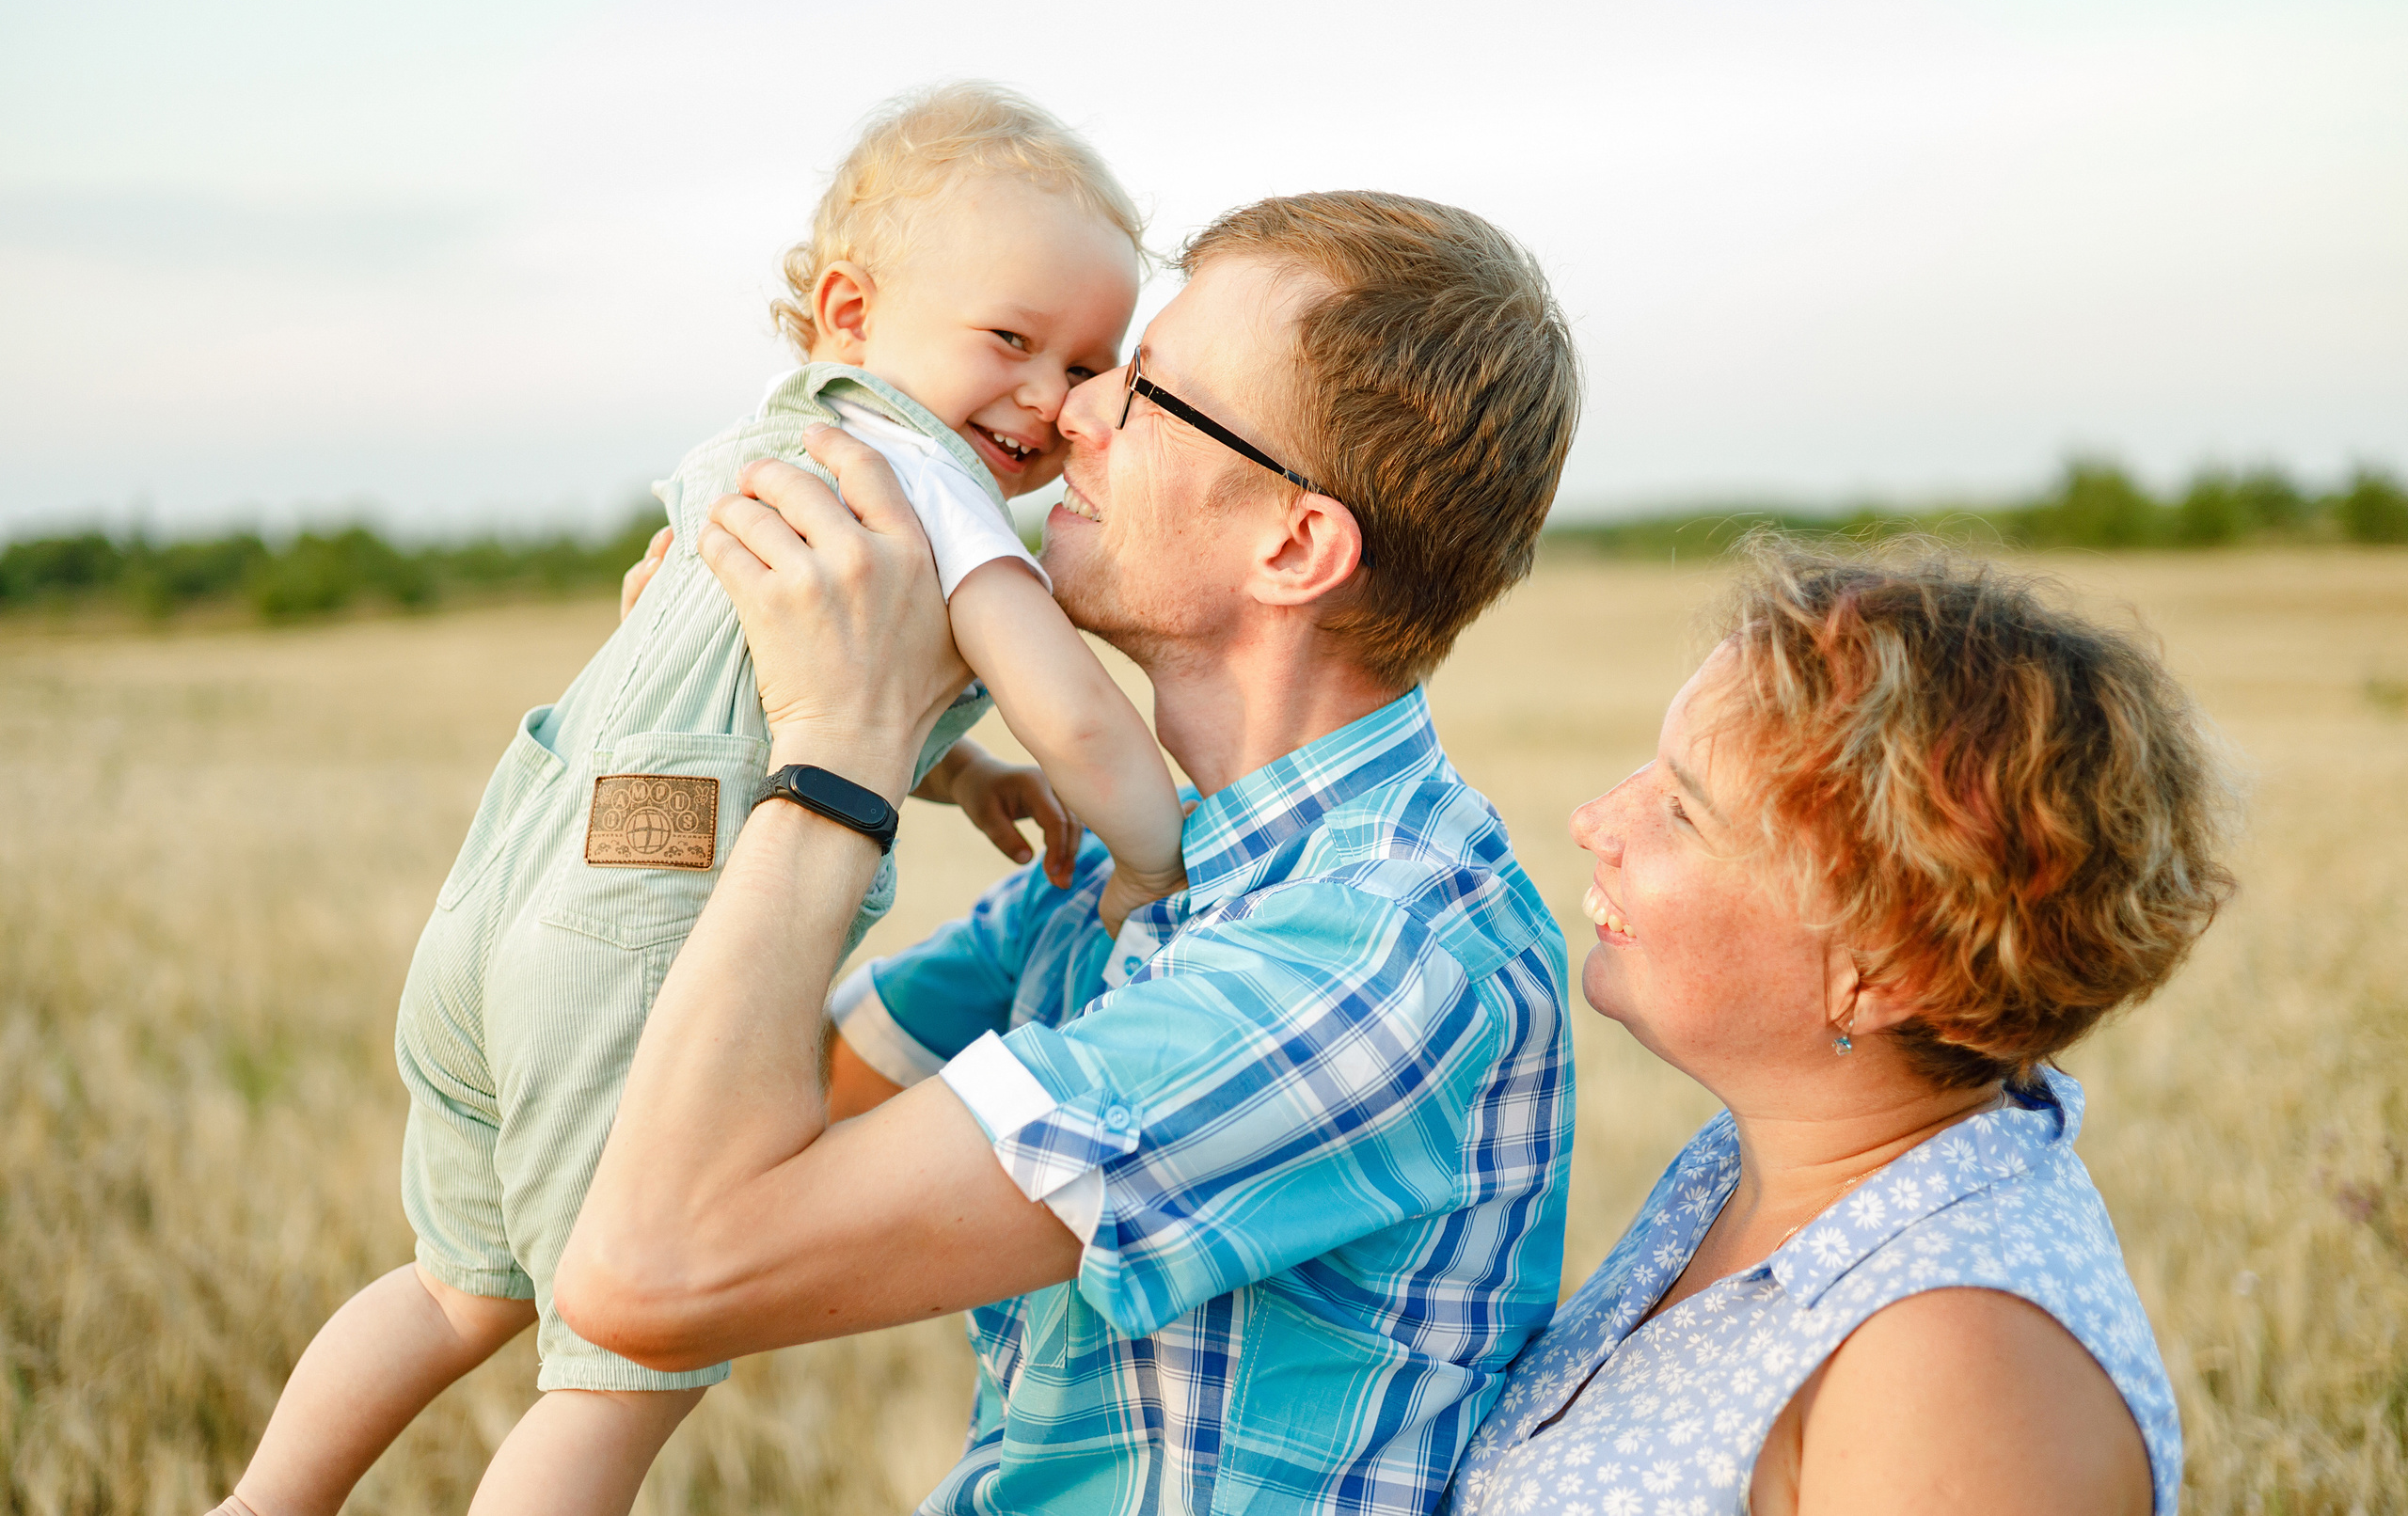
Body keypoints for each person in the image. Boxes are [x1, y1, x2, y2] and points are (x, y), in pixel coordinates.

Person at [210, 83, 1186, 1516]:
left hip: (503, 903)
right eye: (1012, 340)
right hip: (636, 951)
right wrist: (1160, 854)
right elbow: (1081, 705)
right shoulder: (932, 482)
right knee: (618, 1361)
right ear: (852, 313)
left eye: (1091, 362)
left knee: (451, 1284)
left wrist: (960, 768)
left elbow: (755, 689)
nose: (1049, 398)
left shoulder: (760, 451)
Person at [556, 192, 1586, 1514]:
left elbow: (652, 1268)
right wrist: (703, 715)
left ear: (1294, 543)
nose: (1076, 412)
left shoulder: (1370, 954)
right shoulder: (1135, 870)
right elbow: (691, 1124)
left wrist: (842, 744)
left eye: (1147, 390)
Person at [1443, 540, 2234, 1516]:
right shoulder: (1757, 1172)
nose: (1595, 819)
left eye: (1686, 813)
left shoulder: (1960, 1376)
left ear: (1885, 966)